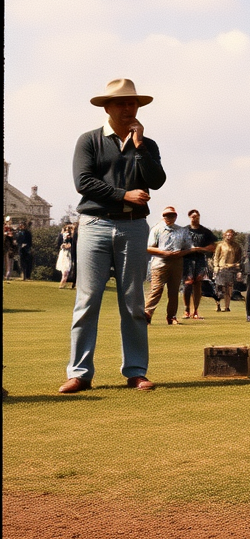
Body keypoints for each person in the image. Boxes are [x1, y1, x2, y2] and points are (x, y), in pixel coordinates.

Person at [59, 78, 165, 393]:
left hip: (134, 227)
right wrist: (124, 195)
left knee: (133, 301)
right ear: (107, 107)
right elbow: (83, 182)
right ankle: (79, 373)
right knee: (88, 299)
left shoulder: (147, 145)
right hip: (94, 224)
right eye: (121, 103)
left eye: (133, 103)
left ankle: (135, 371)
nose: (128, 108)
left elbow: (157, 180)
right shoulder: (89, 140)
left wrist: (140, 146)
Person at [144, 206, 191, 324]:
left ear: (176, 216)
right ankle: (146, 315)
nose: (169, 217)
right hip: (160, 263)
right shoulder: (157, 229)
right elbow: (149, 248)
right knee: (156, 289)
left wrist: (180, 253)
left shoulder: (182, 231)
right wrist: (164, 253)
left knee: (174, 291)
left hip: (177, 263)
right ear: (163, 216)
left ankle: (172, 317)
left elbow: (189, 248)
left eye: (172, 215)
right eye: (167, 215)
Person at [182, 209, 216, 320]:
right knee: (187, 284)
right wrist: (189, 250)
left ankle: (195, 310)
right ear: (189, 217)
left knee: (197, 284)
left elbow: (213, 247)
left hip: (200, 260)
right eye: (193, 217)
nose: (195, 218)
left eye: (197, 217)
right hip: (187, 260)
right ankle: (186, 310)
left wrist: (201, 249)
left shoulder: (205, 232)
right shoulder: (184, 231)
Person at [213, 229, 243, 312]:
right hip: (221, 267)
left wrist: (238, 268)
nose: (229, 237)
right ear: (224, 235)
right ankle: (218, 305)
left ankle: (227, 306)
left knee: (229, 288)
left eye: (231, 235)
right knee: (219, 288)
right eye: (227, 235)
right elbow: (216, 257)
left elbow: (239, 259)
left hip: (231, 268)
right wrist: (216, 266)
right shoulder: (220, 245)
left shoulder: (236, 246)